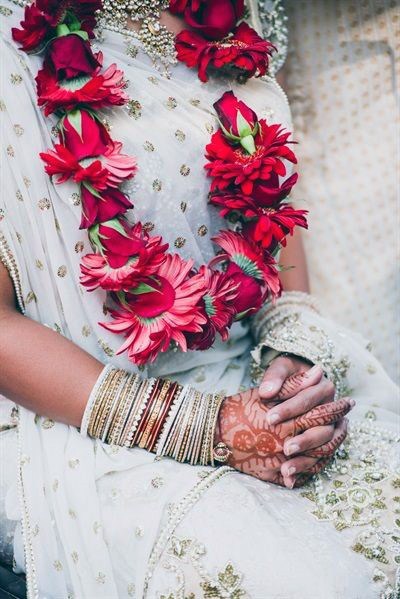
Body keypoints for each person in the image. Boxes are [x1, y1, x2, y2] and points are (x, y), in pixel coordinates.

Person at [0, 1, 398, 597]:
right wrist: (210, 427)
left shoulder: (235, 14)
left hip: (249, 378)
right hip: (83, 421)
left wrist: (290, 359)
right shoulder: (12, 42)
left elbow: (270, 218)